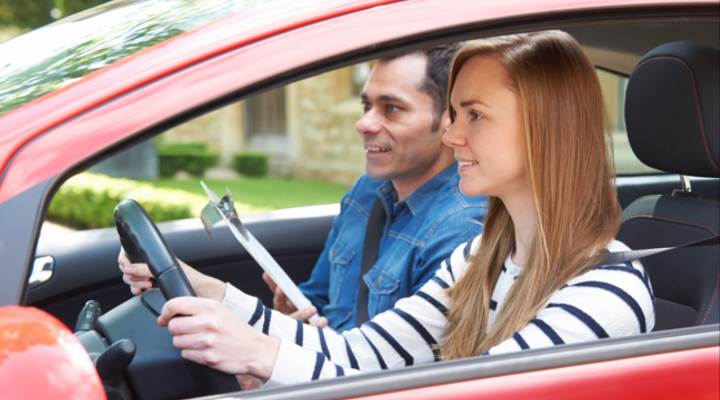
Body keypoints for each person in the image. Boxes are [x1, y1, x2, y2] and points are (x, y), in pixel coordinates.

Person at [119, 31, 654, 388]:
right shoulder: (481, 259)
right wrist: (216, 296)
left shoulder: (605, 293)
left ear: (546, 130)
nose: (450, 134)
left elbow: (464, 396)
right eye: (452, 113)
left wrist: (262, 356)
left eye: (475, 116)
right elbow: (360, 357)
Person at [263, 44, 488, 331]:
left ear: (451, 120)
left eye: (391, 108)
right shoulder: (368, 189)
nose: (363, 124)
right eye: (367, 105)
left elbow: (414, 365)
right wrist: (296, 317)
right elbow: (318, 297)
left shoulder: (460, 225)